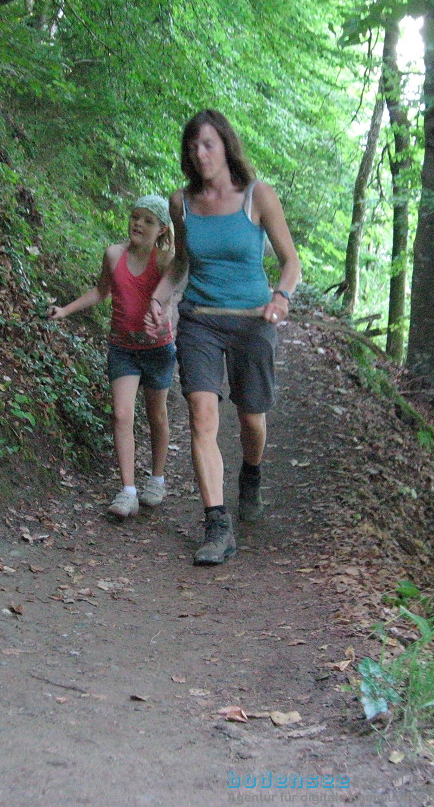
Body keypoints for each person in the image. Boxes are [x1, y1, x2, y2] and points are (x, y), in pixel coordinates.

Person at [145, 110, 301, 565]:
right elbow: (180, 264)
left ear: (226, 147)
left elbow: (291, 261)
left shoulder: (258, 196)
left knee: (252, 419)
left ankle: (250, 475)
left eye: (209, 144)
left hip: (254, 322)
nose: (200, 154)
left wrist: (281, 297)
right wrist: (159, 300)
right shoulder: (182, 203)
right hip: (200, 322)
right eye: (193, 147)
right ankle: (216, 524)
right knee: (201, 416)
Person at [49, 195, 179, 518]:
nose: (138, 224)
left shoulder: (165, 261)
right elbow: (101, 292)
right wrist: (65, 310)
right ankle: (128, 491)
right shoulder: (113, 255)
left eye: (148, 220)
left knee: (156, 415)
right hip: (122, 348)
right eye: (135, 217)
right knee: (122, 415)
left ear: (162, 229)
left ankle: (157, 478)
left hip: (158, 349)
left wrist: (164, 317)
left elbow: (174, 296)